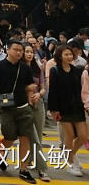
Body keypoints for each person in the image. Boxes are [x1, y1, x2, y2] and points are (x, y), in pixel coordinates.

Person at [0, 39, 37, 184]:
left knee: (25, 138)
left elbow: (30, 85)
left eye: (20, 50)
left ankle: (24, 170)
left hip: (23, 107)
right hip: (6, 108)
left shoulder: (25, 68)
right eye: (16, 50)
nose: (19, 53)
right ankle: (1, 155)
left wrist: (31, 95)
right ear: (7, 50)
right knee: (9, 137)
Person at [47, 44, 87, 178]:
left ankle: (71, 155)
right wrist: (53, 109)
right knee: (69, 135)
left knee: (84, 136)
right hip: (62, 109)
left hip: (77, 108)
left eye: (70, 54)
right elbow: (53, 91)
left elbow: (81, 90)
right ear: (59, 56)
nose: (69, 57)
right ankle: (71, 163)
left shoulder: (77, 71)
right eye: (66, 54)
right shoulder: (55, 70)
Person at [22, 43, 50, 182]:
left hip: (38, 104)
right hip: (24, 105)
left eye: (31, 52)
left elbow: (43, 87)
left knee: (38, 136)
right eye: (26, 51)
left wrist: (39, 94)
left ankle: (34, 162)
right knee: (34, 138)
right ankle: (42, 169)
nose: (29, 54)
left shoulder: (37, 68)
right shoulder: (19, 68)